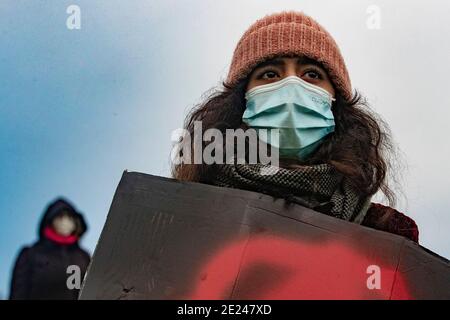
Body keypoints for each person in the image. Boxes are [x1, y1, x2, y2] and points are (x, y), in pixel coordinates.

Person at [172, 11, 419, 242]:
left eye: (312, 74)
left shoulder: (386, 232)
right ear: (240, 101)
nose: (291, 86)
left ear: (336, 103)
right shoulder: (178, 216)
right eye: (270, 74)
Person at [9, 198, 90, 300]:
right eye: (60, 217)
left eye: (70, 217)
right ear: (51, 220)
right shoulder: (31, 254)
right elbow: (18, 294)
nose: (65, 221)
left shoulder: (83, 257)